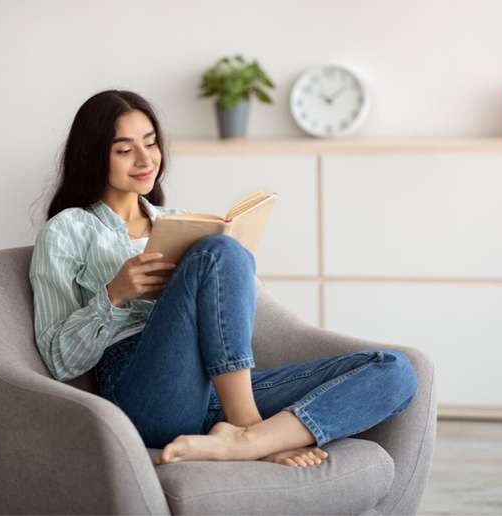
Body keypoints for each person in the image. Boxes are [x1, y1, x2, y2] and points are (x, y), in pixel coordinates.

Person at [30, 89, 418, 468]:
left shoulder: (179, 220)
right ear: (95, 156)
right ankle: (248, 427)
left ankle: (246, 441)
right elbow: (58, 360)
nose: (145, 159)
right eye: (125, 149)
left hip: (218, 388)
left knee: (395, 371)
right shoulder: (67, 230)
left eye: (151, 143)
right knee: (221, 252)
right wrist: (113, 296)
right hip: (144, 393)